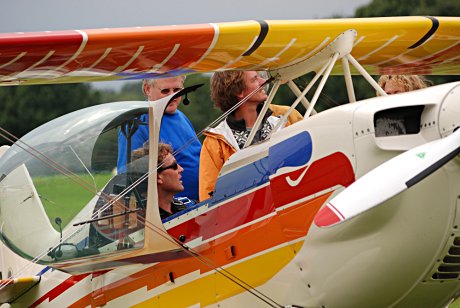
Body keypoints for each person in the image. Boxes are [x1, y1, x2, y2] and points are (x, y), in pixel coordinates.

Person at [198, 70, 303, 201]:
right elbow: (208, 196)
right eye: (254, 80)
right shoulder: (215, 141)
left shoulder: (281, 124)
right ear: (239, 92)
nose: (263, 82)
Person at [117, 76, 201, 201]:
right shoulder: (137, 123)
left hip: (200, 203)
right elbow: (128, 178)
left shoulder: (181, 117)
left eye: (177, 90)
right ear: (147, 89)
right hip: (172, 213)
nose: (172, 95)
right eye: (165, 91)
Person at [156, 143, 188, 219]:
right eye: (174, 166)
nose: (181, 169)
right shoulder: (147, 221)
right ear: (158, 177)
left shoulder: (184, 205)